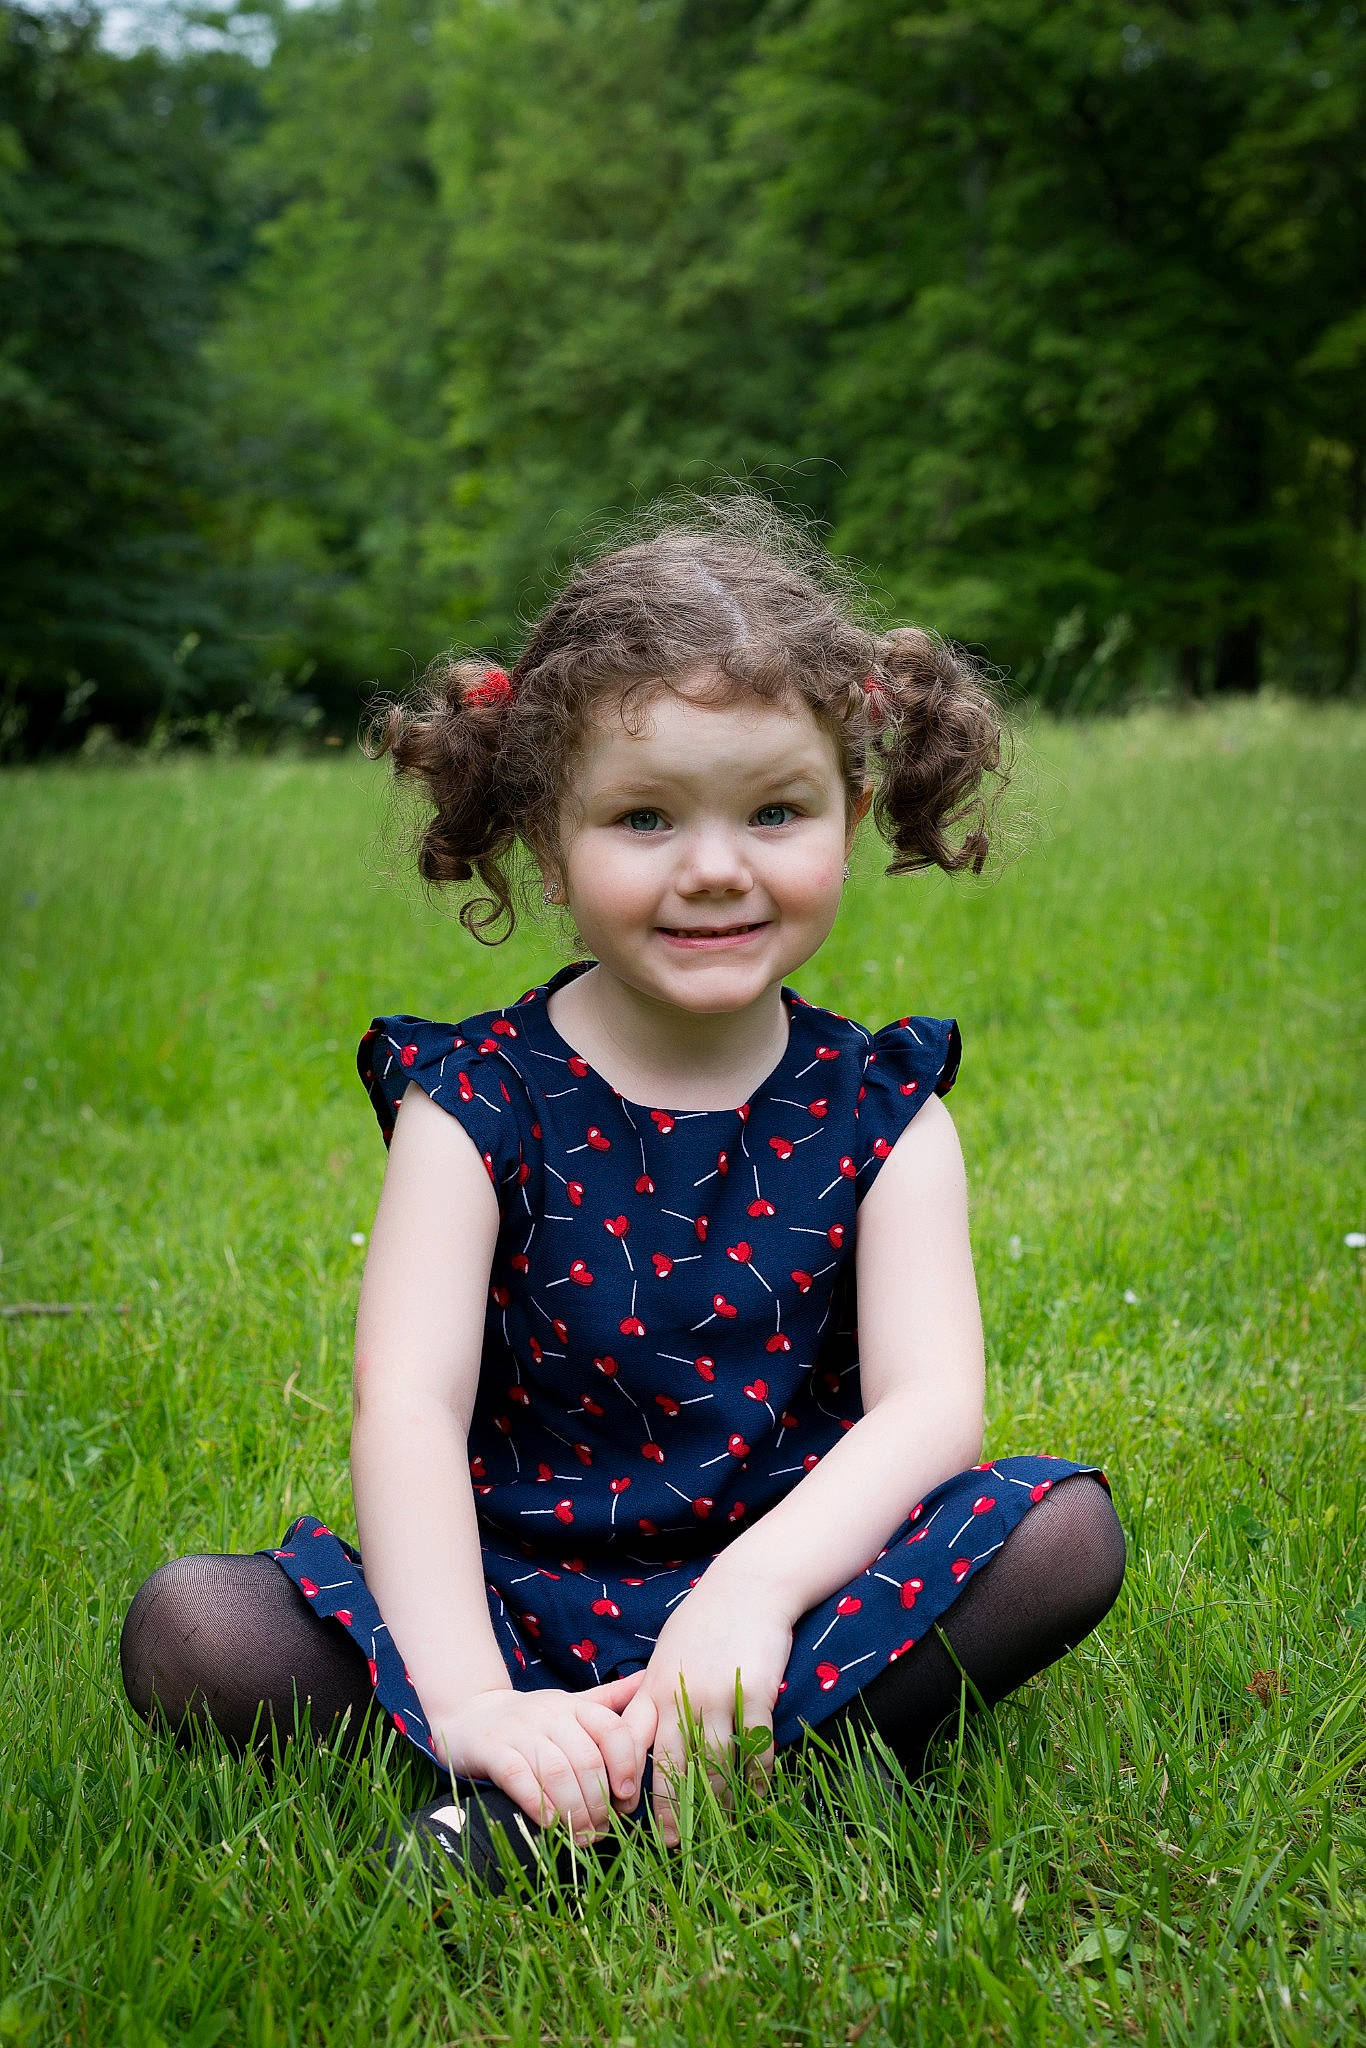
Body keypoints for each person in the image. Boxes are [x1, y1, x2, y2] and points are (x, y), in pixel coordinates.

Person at [120, 502, 1125, 1895]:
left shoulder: (885, 1108)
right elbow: (405, 1410)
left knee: (1062, 1532)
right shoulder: (472, 1103)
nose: (714, 867)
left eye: (774, 811)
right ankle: (553, 1768)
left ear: (848, 805)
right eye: (644, 818)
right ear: (545, 836)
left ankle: (588, 1807)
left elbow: (927, 1411)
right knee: (195, 1627)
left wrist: (751, 1595)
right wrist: (474, 1696)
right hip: (511, 1597)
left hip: (799, 1589)